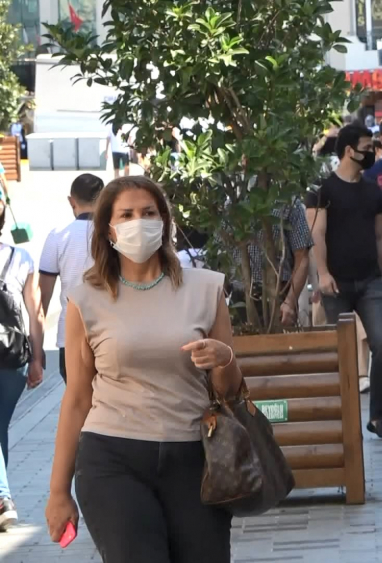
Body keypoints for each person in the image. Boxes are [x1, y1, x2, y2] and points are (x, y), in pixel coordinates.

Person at [43, 176, 243, 560]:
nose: (139, 222)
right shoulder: (84, 299)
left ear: (165, 221)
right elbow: (78, 398)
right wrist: (57, 492)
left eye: (149, 212)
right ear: (108, 227)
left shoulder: (205, 288)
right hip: (112, 459)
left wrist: (224, 358)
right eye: (127, 214)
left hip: (194, 459)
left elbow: (229, 391)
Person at [305, 124, 382, 439]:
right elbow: (315, 232)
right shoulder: (322, 189)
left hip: (370, 280)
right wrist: (324, 273)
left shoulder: (372, 190)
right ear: (348, 150)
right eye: (366, 146)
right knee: (340, 354)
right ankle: (343, 416)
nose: (371, 151)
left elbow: (380, 236)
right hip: (337, 284)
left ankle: (377, 416)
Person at [0, 197, 45, 532]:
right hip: (13, 355)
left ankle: (4, 498)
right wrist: (38, 359)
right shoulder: (21, 257)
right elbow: (35, 314)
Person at [39, 174, 103, 383]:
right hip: (111, 334)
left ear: (71, 201)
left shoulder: (58, 236)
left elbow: (43, 296)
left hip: (70, 336)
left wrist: (36, 345)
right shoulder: (114, 235)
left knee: (78, 402)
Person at [224, 196, 313, 328]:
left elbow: (302, 258)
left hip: (279, 293)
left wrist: (289, 302)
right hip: (240, 296)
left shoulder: (289, 202)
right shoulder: (230, 205)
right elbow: (221, 257)